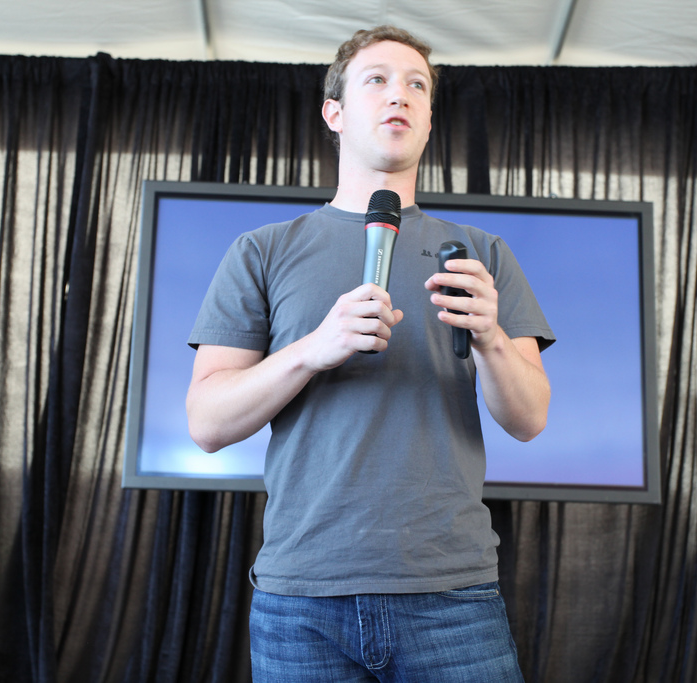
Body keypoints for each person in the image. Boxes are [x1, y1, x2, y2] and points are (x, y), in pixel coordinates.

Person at [186, 25, 555, 682]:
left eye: (417, 86)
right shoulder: (261, 250)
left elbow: (529, 419)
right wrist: (312, 349)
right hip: (302, 596)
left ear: (430, 120)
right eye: (377, 80)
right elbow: (207, 423)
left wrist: (492, 339)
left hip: (452, 591)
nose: (399, 95)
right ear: (334, 113)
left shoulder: (482, 254)